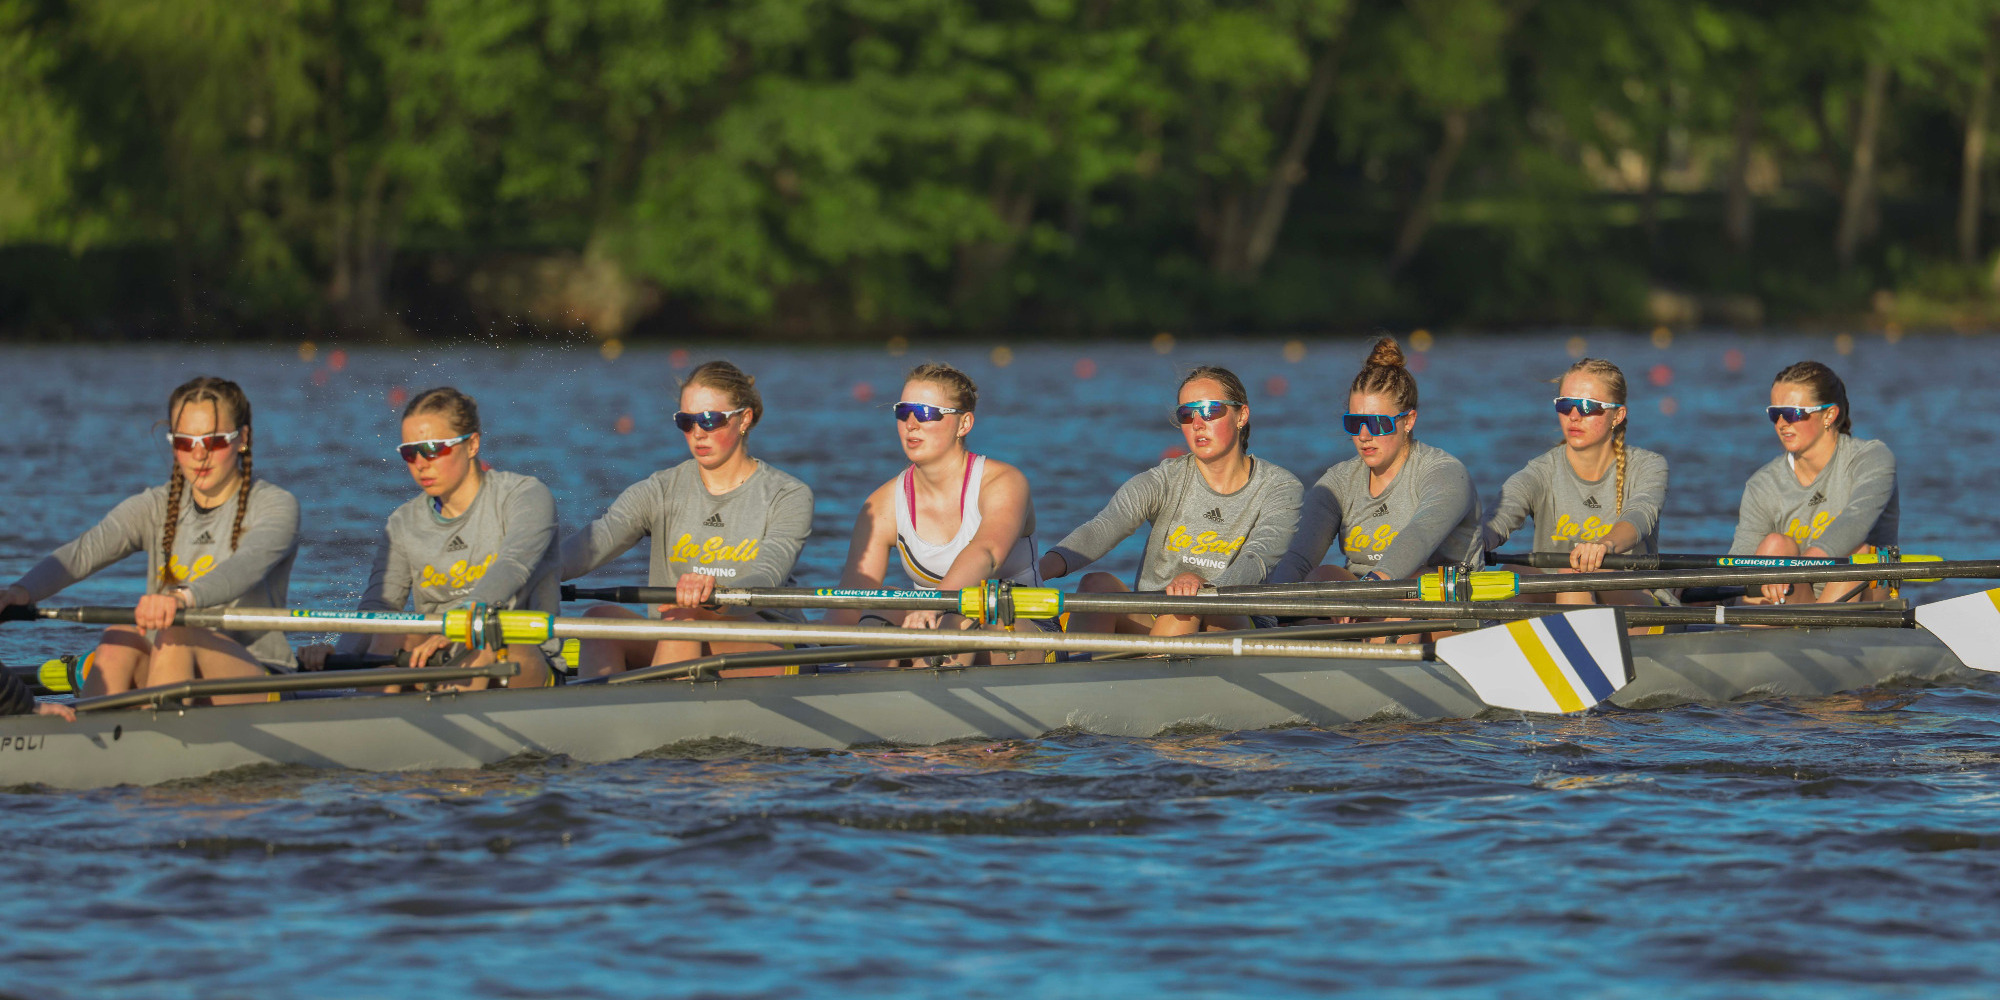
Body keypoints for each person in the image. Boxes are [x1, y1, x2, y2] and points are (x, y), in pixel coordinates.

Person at [1, 376, 299, 706]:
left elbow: (245, 566)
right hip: (170, 665)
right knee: (118, 638)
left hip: (258, 674)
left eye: (213, 441)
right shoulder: (155, 506)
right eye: (185, 442)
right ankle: (90, 732)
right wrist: (21, 592)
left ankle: (157, 730)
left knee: (176, 634)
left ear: (243, 438)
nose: (199, 455)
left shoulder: (276, 506)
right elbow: (83, 552)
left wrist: (183, 598)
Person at [561, 361, 814, 677]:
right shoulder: (660, 490)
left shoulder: (788, 495)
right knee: (598, 621)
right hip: (677, 634)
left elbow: (768, 574)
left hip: (769, 642)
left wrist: (716, 595)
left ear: (744, 419)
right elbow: (593, 544)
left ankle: (657, 703)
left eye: (710, 420)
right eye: (686, 421)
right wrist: (527, 571)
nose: (697, 433)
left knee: (687, 615)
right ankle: (600, 707)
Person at [297, 387, 556, 688]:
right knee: (392, 632)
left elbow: (513, 565)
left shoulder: (525, 496)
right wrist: (337, 656)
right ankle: (368, 711)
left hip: (521, 657)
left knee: (482, 642)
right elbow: (379, 609)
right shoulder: (403, 522)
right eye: (410, 452)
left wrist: (459, 626)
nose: (420, 463)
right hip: (438, 659)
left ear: (472, 444)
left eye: (433, 449)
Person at [1039, 365, 1302, 637]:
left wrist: (1205, 587)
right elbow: (1101, 529)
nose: (1197, 424)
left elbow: (1257, 558)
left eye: (1210, 410)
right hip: (1157, 612)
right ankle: (1082, 663)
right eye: (1186, 414)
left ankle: (1147, 661)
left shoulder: (1280, 487)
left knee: (1187, 603)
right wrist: (1033, 573)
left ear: (1241, 415)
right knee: (1096, 585)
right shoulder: (1163, 480)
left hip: (1236, 616)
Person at [831, 363, 1047, 657]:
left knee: (962, 616)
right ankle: (869, 677)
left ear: (964, 424)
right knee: (884, 603)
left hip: (1023, 626)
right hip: (933, 631)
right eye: (902, 412)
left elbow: (987, 553)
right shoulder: (881, 504)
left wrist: (936, 604)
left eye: (925, 413)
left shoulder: (1004, 482)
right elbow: (848, 607)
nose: (911, 424)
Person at [1272, 337, 1480, 590]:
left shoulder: (1446, 474)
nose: (1363, 436)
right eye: (1354, 423)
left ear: (1409, 420)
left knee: (1415, 579)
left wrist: (1373, 587)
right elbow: (1298, 558)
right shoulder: (1338, 483)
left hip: (1440, 599)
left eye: (1377, 423)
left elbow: (1419, 535)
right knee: (1323, 575)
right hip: (1365, 600)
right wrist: (1268, 603)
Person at [1479, 358, 1669, 605]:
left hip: (1634, 598)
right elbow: (1500, 516)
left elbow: (1640, 515)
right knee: (1514, 573)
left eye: (1588, 406)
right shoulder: (1539, 472)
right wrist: (1475, 542)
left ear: (1617, 415)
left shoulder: (1649, 466)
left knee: (1575, 573)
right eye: (1566, 405)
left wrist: (1605, 545)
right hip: (1560, 591)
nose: (1574, 415)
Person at [1732, 361, 1898, 604]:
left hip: (1862, 599)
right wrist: (1698, 590)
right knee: (1775, 546)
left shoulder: (1872, 459)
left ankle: (1823, 621)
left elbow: (1855, 521)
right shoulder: (1762, 485)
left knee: (1859, 552)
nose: (1782, 424)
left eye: (1793, 413)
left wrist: (1797, 569)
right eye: (1775, 414)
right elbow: (1740, 559)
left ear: (1829, 415)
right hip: (1796, 598)